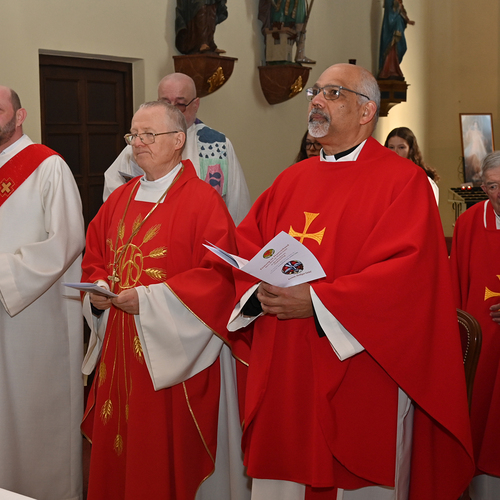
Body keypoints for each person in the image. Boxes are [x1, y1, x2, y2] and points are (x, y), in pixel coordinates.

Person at [225, 63, 474, 499]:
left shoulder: (403, 182)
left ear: (366, 112)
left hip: (359, 370)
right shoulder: (290, 180)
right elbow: (247, 249)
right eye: (316, 92)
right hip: (287, 367)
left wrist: (318, 302)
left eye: (334, 93)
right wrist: (259, 293)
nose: (317, 100)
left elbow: (406, 279)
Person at [81, 100, 249, 499]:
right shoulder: (118, 199)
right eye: (133, 135)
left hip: (170, 357)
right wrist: (99, 293)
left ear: (178, 140)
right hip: (120, 348)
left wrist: (151, 300)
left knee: (159, 454)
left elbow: (218, 279)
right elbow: (94, 259)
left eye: (147, 134)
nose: (137, 142)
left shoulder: (203, 202)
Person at [0, 86, 85, 499]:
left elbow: (66, 241)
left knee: (35, 418)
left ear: (20, 116)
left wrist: (3, 276)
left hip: (34, 317)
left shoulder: (48, 167)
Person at [103, 72, 251, 225]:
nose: (172, 110)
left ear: (196, 105)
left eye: (180, 104)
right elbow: (113, 184)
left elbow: (237, 201)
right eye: (165, 103)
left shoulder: (217, 145)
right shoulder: (141, 143)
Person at [450, 151, 500, 500]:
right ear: (483, 187)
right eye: (494, 185)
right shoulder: (469, 222)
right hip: (482, 346)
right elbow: (454, 284)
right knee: (481, 419)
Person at [384, 126, 440, 204]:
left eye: (401, 147)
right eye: (391, 147)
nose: (395, 152)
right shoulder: (383, 177)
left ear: (410, 150)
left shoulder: (424, 180)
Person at [378, 0, 415, 79]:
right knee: (391, 47)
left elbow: (401, 11)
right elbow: (389, 14)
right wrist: (398, 6)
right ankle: (387, 70)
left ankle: (395, 70)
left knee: (402, 47)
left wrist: (408, 20)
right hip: (392, 29)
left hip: (398, 25)